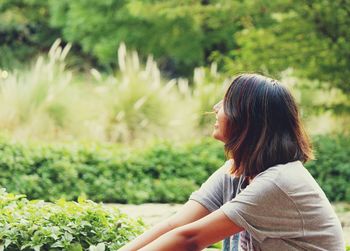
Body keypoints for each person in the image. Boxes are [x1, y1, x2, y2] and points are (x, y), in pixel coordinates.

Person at [119, 74, 345, 251]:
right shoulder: (235, 172)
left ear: (248, 118)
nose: (216, 108)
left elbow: (190, 240)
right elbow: (177, 225)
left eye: (226, 102)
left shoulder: (279, 182)